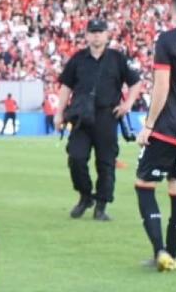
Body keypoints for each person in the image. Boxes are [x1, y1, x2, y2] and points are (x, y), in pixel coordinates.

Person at [55, 18, 142, 222]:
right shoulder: (77, 59)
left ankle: (101, 205)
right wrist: (59, 113)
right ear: (86, 35)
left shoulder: (117, 58)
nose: (96, 35)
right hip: (81, 117)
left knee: (106, 163)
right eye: (93, 31)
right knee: (76, 157)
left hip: (107, 115)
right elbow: (66, 87)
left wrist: (127, 104)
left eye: (100, 31)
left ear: (107, 34)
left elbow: (135, 82)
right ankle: (85, 196)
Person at [134, 0, 176, 272]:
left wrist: (148, 126)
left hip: (168, 129)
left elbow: (162, 87)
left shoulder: (167, 40)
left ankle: (160, 251)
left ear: (173, 7)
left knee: (144, 184)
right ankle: (172, 255)